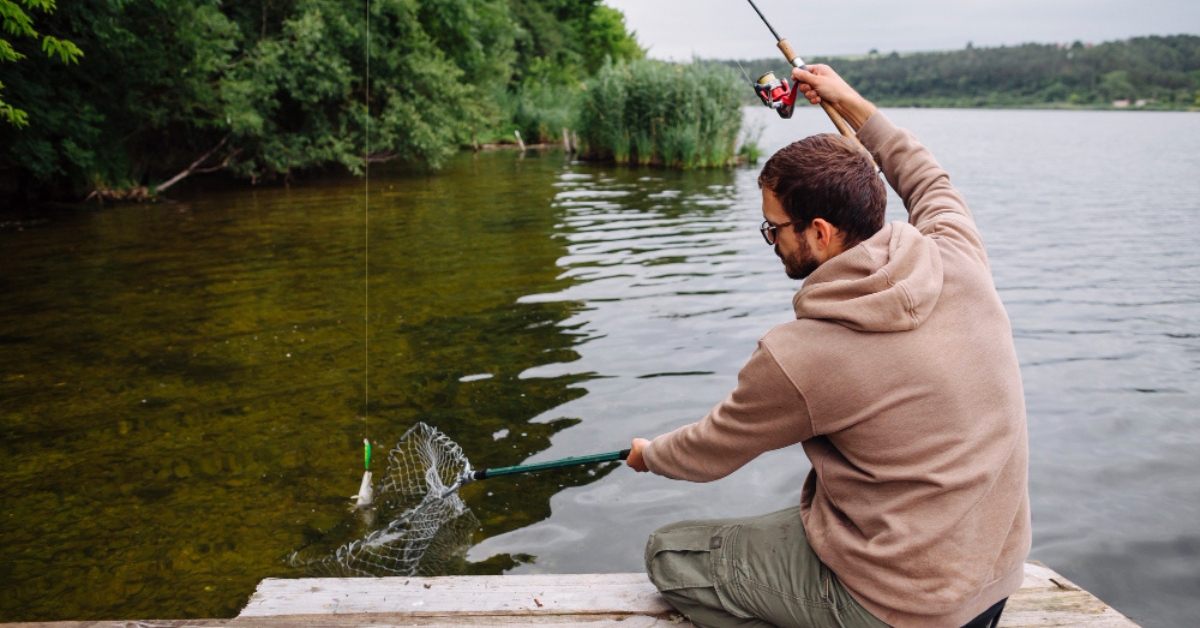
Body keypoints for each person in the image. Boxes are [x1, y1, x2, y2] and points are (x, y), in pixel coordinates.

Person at [624, 64, 1030, 628]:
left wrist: (650, 455)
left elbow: (709, 450)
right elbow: (927, 179)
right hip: (994, 579)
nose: (770, 240)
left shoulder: (801, 356)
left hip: (907, 606)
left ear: (818, 232)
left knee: (671, 556)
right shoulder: (958, 256)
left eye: (774, 228)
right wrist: (849, 100)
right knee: (798, 517)